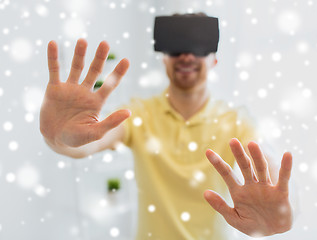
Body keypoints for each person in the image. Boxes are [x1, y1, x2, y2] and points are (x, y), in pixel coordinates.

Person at [40, 12, 293, 240]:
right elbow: (90, 142)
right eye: (175, 47)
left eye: (199, 46)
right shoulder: (140, 113)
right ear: (163, 59)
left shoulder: (236, 120)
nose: (186, 55)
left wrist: (279, 216)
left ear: (214, 60)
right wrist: (58, 139)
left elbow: (268, 172)